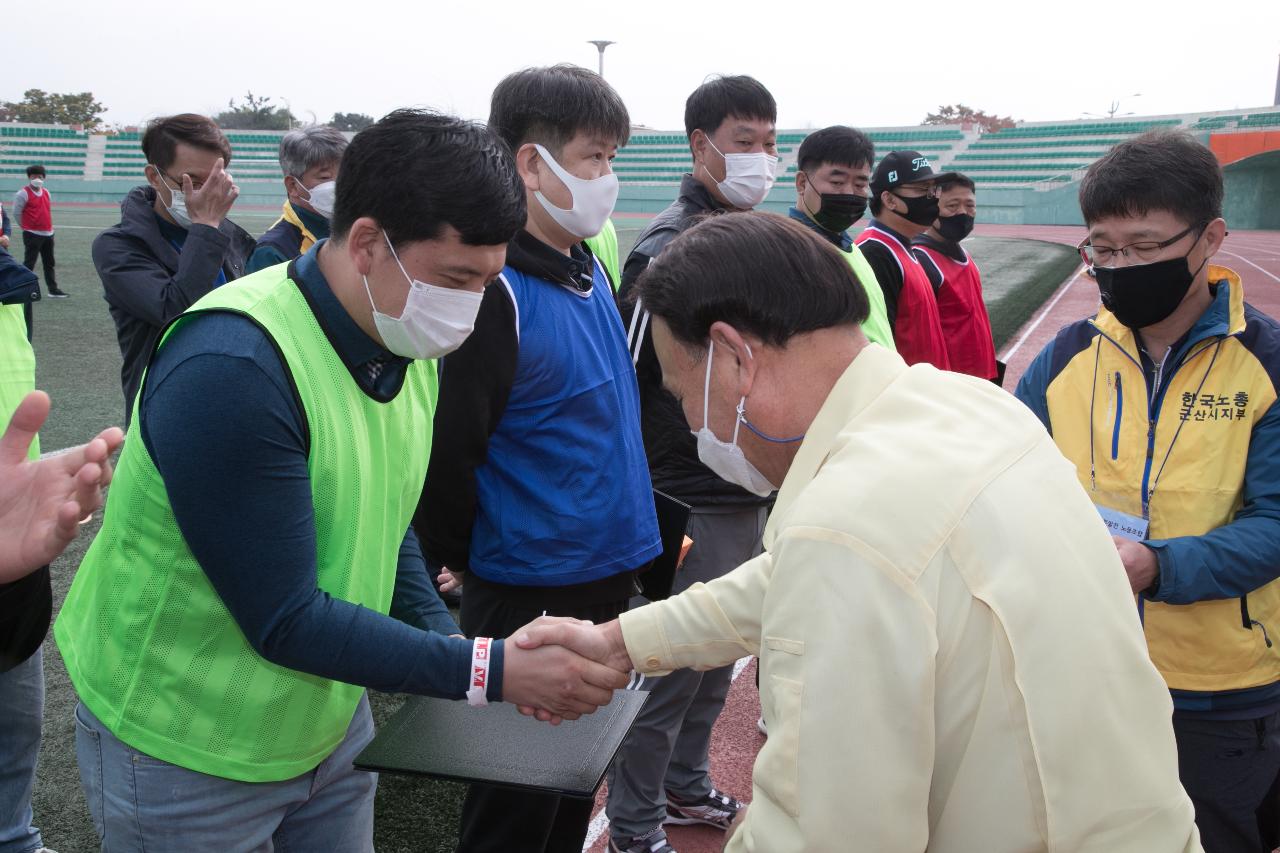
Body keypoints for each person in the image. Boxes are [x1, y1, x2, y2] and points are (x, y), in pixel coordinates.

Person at [521, 210, 1203, 853]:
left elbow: (823, 831)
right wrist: (622, 641)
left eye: (680, 395)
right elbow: (794, 574)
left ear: (734, 357)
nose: (694, 427)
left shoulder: (845, 523)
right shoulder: (968, 407)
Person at [53, 109, 625, 853]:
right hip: (183, 739)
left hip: (324, 716)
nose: (473, 305)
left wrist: (452, 646)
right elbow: (284, 616)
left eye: (489, 280)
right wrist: (490, 667)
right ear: (365, 243)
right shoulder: (235, 366)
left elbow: (382, 530)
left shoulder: (408, 339)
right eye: (458, 277)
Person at [414, 64, 660, 853]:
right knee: (513, 810)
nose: (608, 179)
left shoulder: (585, 268)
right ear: (530, 163)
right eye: (594, 157)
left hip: (601, 575)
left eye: (612, 158)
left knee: (568, 788)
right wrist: (477, 559)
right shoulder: (498, 292)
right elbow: (450, 452)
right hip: (529, 590)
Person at [1015, 130, 1280, 853]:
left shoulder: (1267, 364)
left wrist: (1157, 565)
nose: (1120, 266)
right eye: (1103, 248)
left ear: (1211, 238)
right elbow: (1009, 487)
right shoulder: (1064, 359)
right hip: (1087, 667)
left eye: (1144, 244)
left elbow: (1275, 521)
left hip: (1220, 687)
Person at [608, 74, 777, 853]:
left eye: (772, 143)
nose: (761, 159)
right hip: (682, 494)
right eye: (746, 143)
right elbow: (627, 381)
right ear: (701, 145)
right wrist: (650, 494)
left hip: (743, 486)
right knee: (672, 668)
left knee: (721, 658)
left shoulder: (751, 236)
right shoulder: (667, 251)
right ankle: (638, 826)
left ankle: (684, 784)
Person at [92, 113, 255, 423]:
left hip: (235, 402)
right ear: (154, 177)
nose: (206, 193)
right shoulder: (118, 246)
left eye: (214, 181)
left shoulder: (230, 237)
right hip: (166, 410)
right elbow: (175, 311)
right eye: (191, 181)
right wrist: (206, 225)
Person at [788, 125, 894, 350]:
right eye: (837, 183)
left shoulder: (850, 247)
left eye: (860, 184)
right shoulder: (790, 253)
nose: (848, 192)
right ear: (802, 183)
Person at [856, 150, 952, 368]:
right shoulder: (875, 252)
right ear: (889, 199)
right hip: (907, 395)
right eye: (921, 189)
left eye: (933, 189)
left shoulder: (902, 246)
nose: (933, 197)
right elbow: (877, 346)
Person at [911, 173, 999, 382]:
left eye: (970, 205)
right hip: (952, 383)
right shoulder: (922, 260)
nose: (963, 213)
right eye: (952, 206)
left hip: (982, 376)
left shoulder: (965, 256)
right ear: (932, 209)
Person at [246, 124, 349, 273]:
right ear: (293, 186)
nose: (339, 184)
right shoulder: (272, 252)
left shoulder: (354, 228)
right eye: (325, 177)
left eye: (344, 173)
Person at [14, 165, 66, 299]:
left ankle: (53, 289)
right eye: (34, 176)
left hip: (48, 234)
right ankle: (23, 288)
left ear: (44, 178)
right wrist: (26, 227)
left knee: (49, 263)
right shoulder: (23, 193)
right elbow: (16, 213)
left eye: (40, 176)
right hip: (32, 234)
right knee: (29, 263)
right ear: (29, 177)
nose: (37, 179)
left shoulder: (46, 192)